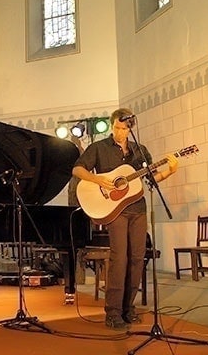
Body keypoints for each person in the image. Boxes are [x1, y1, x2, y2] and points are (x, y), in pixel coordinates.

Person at [72, 108, 178, 329]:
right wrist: (99, 180)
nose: (122, 132)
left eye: (126, 128)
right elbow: (78, 170)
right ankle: (113, 312)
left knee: (137, 258)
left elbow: (150, 179)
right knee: (119, 259)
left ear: (131, 128)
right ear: (112, 126)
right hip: (115, 211)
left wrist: (170, 171)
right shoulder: (99, 148)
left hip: (138, 208)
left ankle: (128, 308)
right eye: (118, 128)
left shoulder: (140, 150)